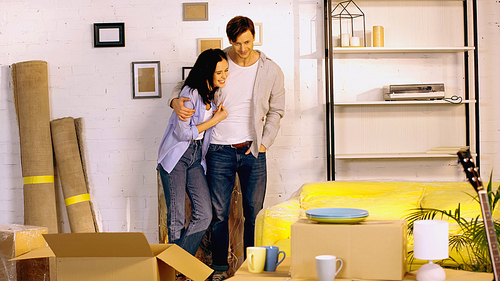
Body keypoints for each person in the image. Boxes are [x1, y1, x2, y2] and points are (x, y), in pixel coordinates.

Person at [169, 16, 285, 280]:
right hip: (218, 150)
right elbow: (186, 86)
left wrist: (264, 142)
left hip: (253, 151)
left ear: (254, 37)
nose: (242, 49)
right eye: (236, 43)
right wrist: (175, 100)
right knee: (218, 215)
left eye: (246, 42)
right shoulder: (218, 61)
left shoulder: (271, 70)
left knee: (254, 214)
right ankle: (220, 270)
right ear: (229, 40)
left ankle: (253, 270)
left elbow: (277, 110)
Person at [157, 48, 229, 257]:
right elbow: (182, 134)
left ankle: (177, 263)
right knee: (177, 217)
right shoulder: (189, 94)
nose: (224, 76)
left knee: (205, 214)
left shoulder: (211, 93)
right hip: (177, 157)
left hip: (196, 157)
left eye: (226, 71)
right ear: (207, 72)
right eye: (219, 72)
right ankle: (175, 271)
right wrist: (215, 120)